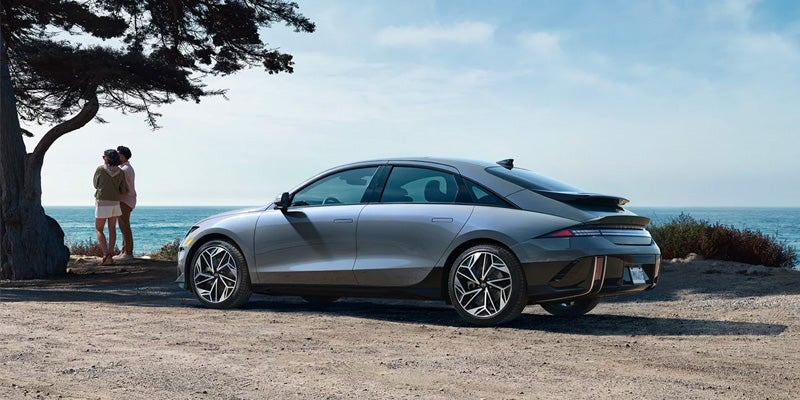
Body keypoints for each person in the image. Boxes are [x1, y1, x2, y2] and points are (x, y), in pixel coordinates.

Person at [94, 149, 128, 266]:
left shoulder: (100, 169)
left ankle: (106, 254)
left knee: (99, 229)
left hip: (102, 201)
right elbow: (123, 189)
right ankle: (111, 255)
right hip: (115, 202)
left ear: (107, 158)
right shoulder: (121, 172)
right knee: (112, 229)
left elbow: (95, 184)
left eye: (104, 156)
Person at [114, 145, 137, 261]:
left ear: (123, 156)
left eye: (118, 155)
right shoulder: (126, 168)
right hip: (127, 200)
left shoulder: (124, 170)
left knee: (124, 226)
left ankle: (128, 252)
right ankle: (124, 251)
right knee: (123, 226)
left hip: (125, 200)